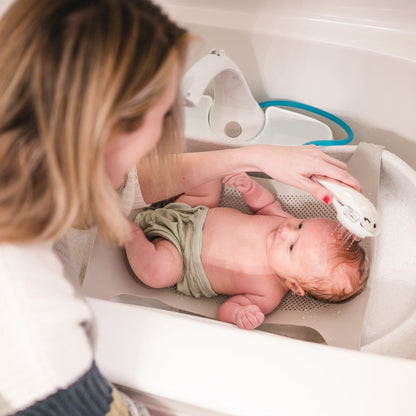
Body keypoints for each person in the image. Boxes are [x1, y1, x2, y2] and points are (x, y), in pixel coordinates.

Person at [0, 0, 361, 414]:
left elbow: (131, 181)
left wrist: (255, 156)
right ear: (110, 131)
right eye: (164, 116)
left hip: (178, 252)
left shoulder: (44, 164)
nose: (168, 133)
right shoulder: (35, 334)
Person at [126, 173, 368, 330]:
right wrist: (249, 187)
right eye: (300, 225)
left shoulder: (267, 295)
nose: (286, 232)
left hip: (180, 255)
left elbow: (226, 309)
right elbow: (264, 204)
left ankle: (128, 233)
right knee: (210, 176)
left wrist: (239, 314)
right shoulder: (282, 220)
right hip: (194, 210)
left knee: (158, 272)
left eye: (292, 247)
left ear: (294, 285)